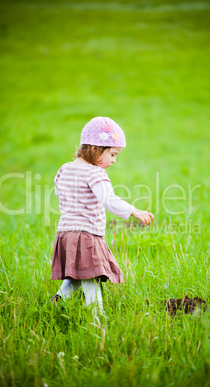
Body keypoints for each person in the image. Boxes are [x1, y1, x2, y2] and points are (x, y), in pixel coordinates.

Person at [50, 116, 154, 314]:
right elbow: (108, 200)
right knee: (91, 277)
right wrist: (134, 211)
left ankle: (58, 301)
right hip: (86, 234)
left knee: (77, 274)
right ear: (96, 149)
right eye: (113, 154)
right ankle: (97, 318)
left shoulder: (64, 169)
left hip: (65, 233)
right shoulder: (95, 174)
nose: (114, 161)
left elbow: (59, 193)